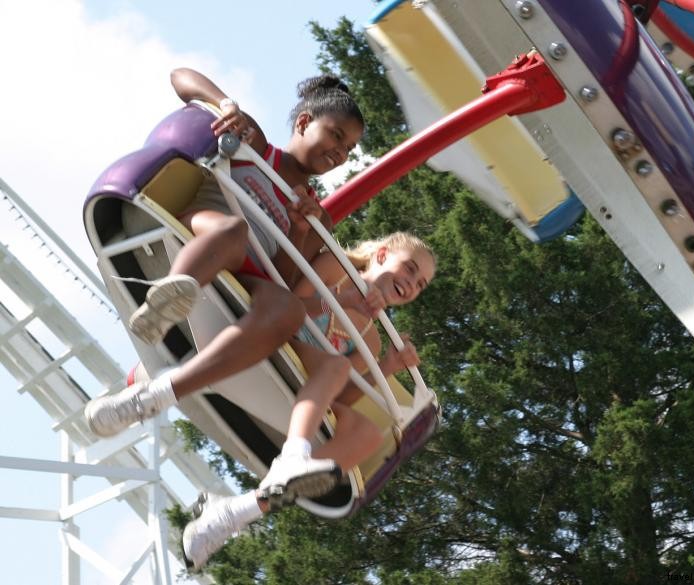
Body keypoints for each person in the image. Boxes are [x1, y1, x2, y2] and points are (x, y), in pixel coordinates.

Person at [84, 67, 366, 505]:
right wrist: (225, 105)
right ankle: (174, 295)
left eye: (348, 149)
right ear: (305, 122)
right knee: (233, 230)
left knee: (287, 308)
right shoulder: (254, 143)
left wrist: (300, 229)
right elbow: (181, 78)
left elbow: (283, 276)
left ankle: (159, 387)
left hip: (252, 273)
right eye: (335, 136)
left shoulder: (318, 215)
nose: (340, 152)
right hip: (213, 231)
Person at [181, 232, 436, 571]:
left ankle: (238, 510)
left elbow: (341, 396)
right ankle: (295, 454)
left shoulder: (372, 340)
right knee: (337, 364)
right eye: (410, 268)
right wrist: (342, 300)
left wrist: (387, 366)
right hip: (278, 340)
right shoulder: (337, 267)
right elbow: (288, 304)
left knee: (368, 434)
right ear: (383, 255)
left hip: (305, 384)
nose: (412, 283)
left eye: (420, 284)